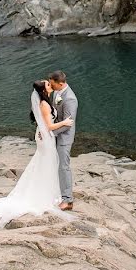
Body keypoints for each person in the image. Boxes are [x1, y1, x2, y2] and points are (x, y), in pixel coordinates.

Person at [0, 80, 74, 227]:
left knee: (43, 163)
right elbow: (49, 126)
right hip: (46, 137)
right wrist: (65, 122)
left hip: (44, 136)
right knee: (46, 163)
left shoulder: (45, 102)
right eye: (48, 85)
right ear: (43, 91)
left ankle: (46, 192)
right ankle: (42, 195)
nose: (50, 85)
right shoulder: (44, 105)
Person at [49, 70, 78, 211]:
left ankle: (68, 200)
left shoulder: (70, 99)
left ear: (60, 84)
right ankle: (58, 193)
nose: (50, 85)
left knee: (64, 167)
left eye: (52, 84)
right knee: (55, 165)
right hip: (55, 133)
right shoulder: (57, 92)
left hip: (64, 138)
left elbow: (68, 123)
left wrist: (50, 133)